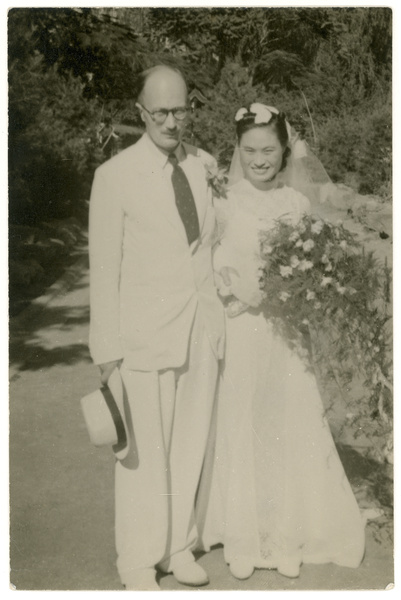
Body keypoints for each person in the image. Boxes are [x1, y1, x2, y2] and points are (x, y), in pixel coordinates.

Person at [196, 103, 366, 581]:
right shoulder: (224, 202)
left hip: (286, 330)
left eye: (268, 149)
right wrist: (235, 287)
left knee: (288, 419)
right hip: (242, 327)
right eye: (249, 150)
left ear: (284, 150)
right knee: (245, 419)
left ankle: (289, 531)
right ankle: (246, 534)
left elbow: (310, 266)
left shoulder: (296, 205)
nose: (259, 159)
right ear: (238, 151)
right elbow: (208, 264)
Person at [88, 64, 225, 590]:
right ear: (140, 112)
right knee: (143, 455)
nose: (172, 121)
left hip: (200, 329)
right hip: (143, 336)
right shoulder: (114, 176)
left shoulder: (205, 165)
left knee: (189, 443)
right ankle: (138, 562)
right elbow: (103, 269)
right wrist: (106, 350)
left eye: (181, 109)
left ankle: (178, 545)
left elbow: (213, 248)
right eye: (161, 111)